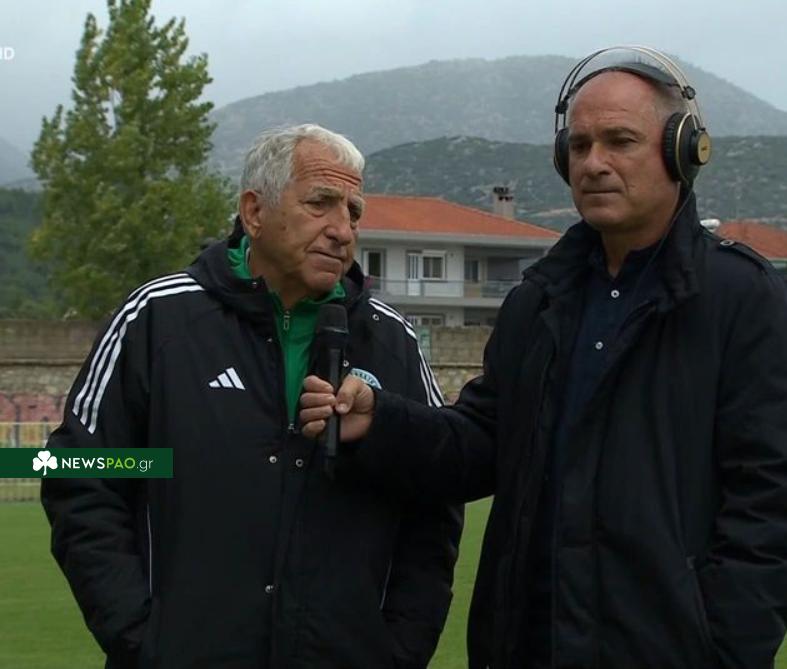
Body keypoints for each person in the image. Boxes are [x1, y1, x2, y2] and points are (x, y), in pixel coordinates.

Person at [300, 49, 787, 669]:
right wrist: (383, 423)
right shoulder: (538, 301)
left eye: (619, 141)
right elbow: (482, 443)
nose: (594, 163)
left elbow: (769, 501)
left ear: (681, 150)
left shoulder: (742, 299)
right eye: (578, 145)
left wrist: (725, 647)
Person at [41, 124, 462, 669]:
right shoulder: (159, 321)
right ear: (254, 212)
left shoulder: (393, 343)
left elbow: (437, 498)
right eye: (320, 204)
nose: (342, 230)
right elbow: (80, 471)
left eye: (353, 212)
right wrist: (140, 636)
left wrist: (397, 649)